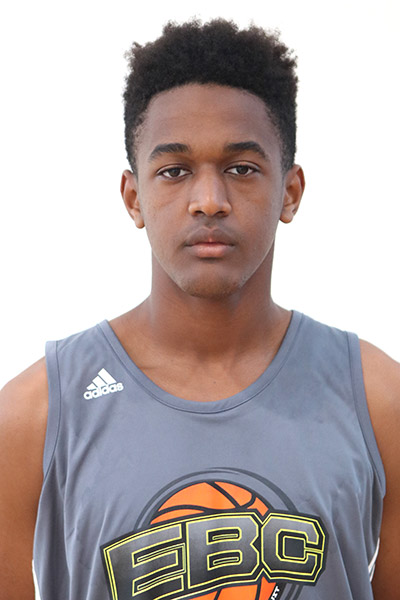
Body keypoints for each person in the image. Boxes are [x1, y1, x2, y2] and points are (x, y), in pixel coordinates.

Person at [0, 18, 399, 600]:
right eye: (175, 171)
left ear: (289, 192)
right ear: (134, 198)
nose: (209, 201)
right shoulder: (32, 416)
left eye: (241, 169)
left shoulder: (381, 401)